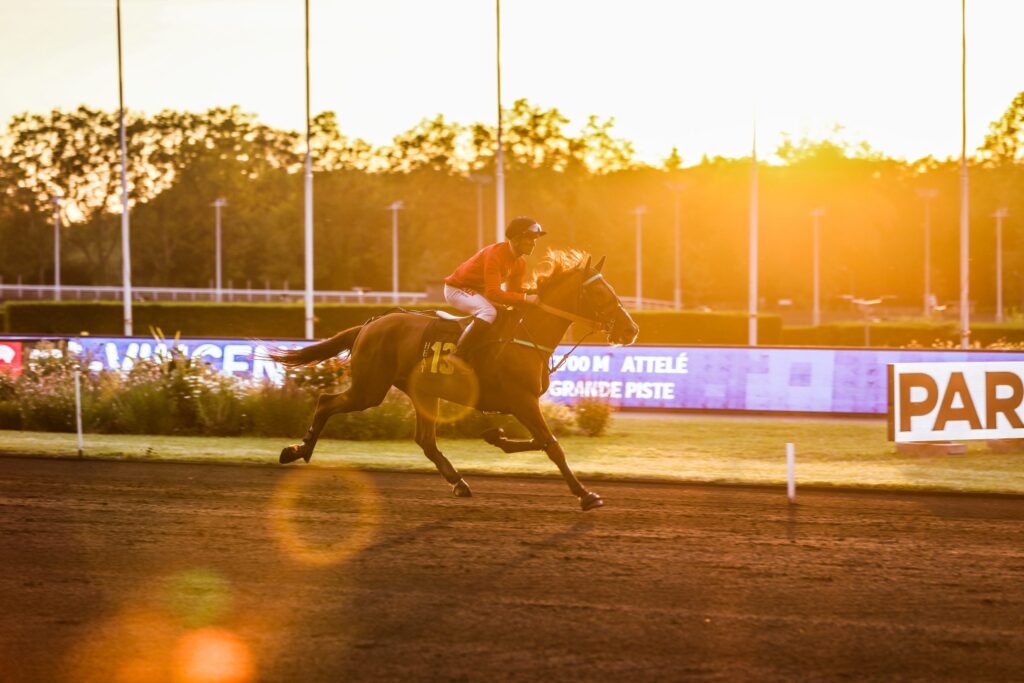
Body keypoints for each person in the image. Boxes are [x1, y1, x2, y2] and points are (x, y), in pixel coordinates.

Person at [443, 216, 546, 360]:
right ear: (516, 239)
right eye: (530, 238)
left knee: (503, 313)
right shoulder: (495, 255)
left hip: (478, 292)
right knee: (489, 311)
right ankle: (457, 356)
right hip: (456, 289)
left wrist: (534, 292)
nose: (533, 243)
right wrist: (525, 298)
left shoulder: (520, 263)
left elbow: (513, 293)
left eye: (535, 239)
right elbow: (493, 294)